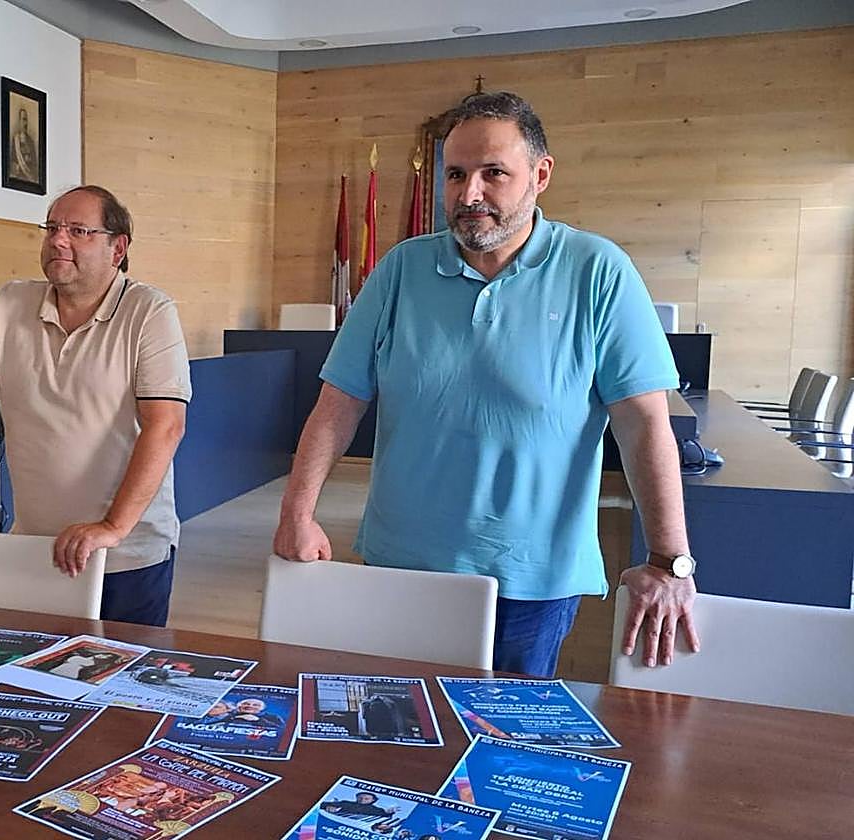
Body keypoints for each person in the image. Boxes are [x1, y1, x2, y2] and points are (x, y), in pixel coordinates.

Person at [273, 91, 698, 678]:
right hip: (402, 564)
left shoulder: (597, 271)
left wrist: (669, 559)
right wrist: (297, 511)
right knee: (396, 734)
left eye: (493, 173)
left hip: (531, 577)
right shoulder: (400, 269)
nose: (469, 195)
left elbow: (643, 423)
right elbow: (338, 402)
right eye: (455, 175)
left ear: (540, 174)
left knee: (499, 746)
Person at [0, 185, 191, 626]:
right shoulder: (10, 303)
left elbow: (166, 426)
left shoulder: (149, 311)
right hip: (35, 550)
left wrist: (112, 528)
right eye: (52, 228)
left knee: (117, 685)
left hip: (127, 556)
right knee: (31, 684)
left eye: (79, 231)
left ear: (117, 248)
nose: (58, 240)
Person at [9, 107, 39, 182]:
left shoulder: (31, 141)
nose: (25, 123)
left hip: (30, 177)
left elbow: (35, 163)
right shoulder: (15, 139)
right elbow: (12, 160)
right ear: (19, 121)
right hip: (19, 176)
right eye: (23, 119)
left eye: (26, 120)